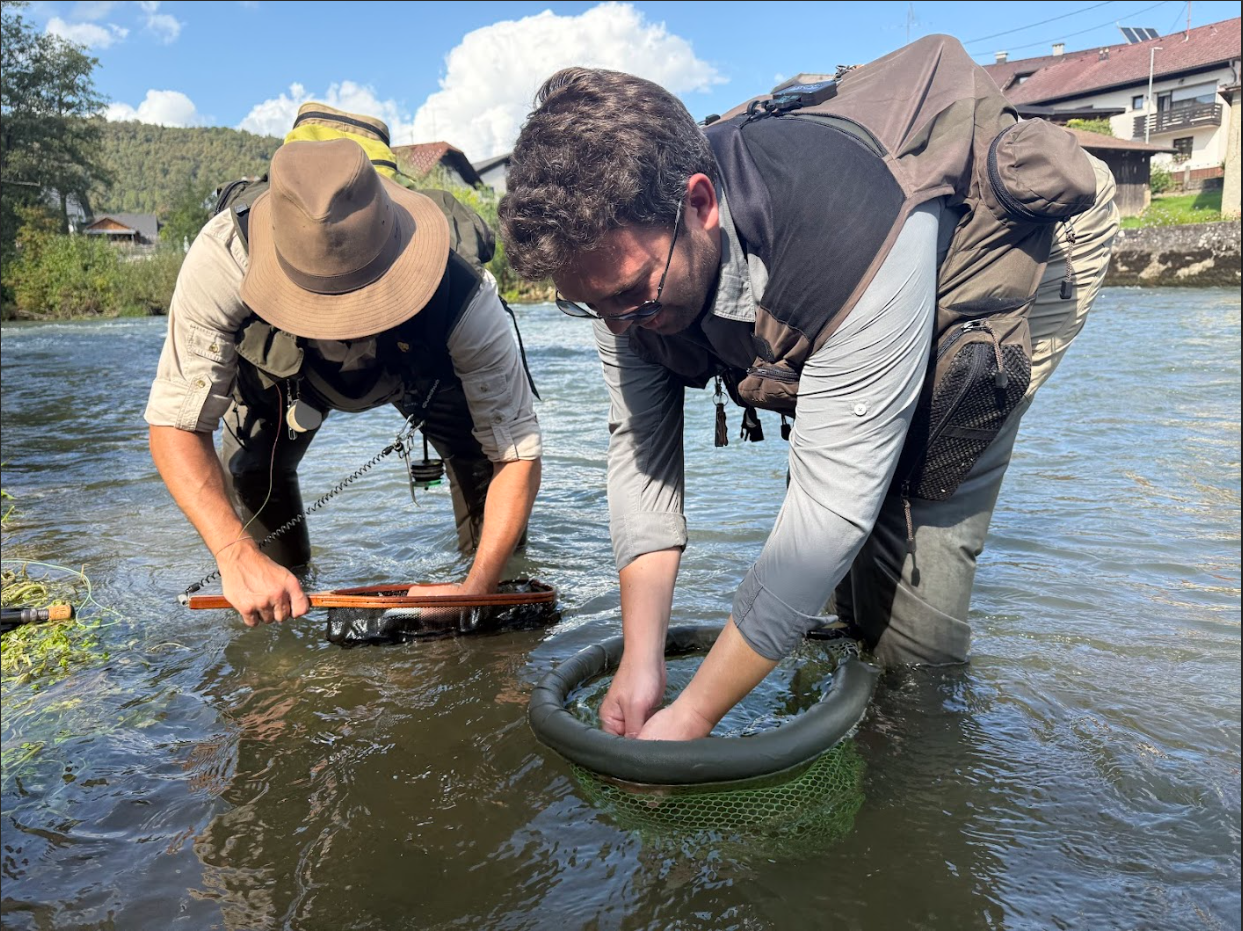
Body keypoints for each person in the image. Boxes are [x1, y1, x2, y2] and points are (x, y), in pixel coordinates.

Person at [498, 37, 1118, 741]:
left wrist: (693, 716)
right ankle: (835, 657)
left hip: (1012, 236)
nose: (616, 326)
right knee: (836, 540)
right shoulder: (620, 272)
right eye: (588, 307)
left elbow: (829, 511)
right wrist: (642, 666)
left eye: (629, 297)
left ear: (699, 204)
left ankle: (916, 743)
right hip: (859, 254)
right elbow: (642, 465)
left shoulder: (840, 232)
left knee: (914, 518)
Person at [146, 135, 542, 628]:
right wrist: (235, 555)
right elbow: (176, 424)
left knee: (485, 482)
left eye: (362, 301)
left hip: (422, 369)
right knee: (253, 481)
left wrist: (474, 593)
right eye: (323, 305)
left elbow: (515, 452)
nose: (345, 321)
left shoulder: (462, 287)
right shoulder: (223, 258)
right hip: (283, 378)